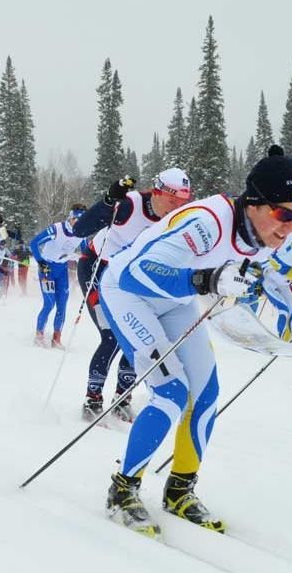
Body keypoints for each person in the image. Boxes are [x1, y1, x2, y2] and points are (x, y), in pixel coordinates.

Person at [97, 146, 292, 537]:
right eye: (284, 214)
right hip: (129, 294)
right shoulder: (205, 222)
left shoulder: (267, 232)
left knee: (205, 393)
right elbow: (138, 273)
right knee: (171, 392)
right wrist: (204, 280)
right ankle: (122, 490)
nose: (290, 226)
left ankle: (180, 491)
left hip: (176, 300)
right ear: (255, 203)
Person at [71, 169, 194, 421]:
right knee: (110, 337)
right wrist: (107, 201)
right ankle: (92, 399)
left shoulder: (179, 219)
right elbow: (80, 230)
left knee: (138, 336)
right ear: (157, 192)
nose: (176, 208)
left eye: (183, 203)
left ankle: (121, 399)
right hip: (98, 267)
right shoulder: (130, 205)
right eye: (172, 201)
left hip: (129, 277)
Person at [29, 205, 86, 348]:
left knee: (62, 305)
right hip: (47, 269)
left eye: (82, 219)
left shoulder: (83, 233)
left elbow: (87, 254)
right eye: (76, 219)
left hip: (62, 270)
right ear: (71, 218)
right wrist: (41, 262)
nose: (78, 223)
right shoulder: (56, 229)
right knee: (49, 303)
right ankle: (39, 335)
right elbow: (34, 243)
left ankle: (56, 339)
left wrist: (81, 258)